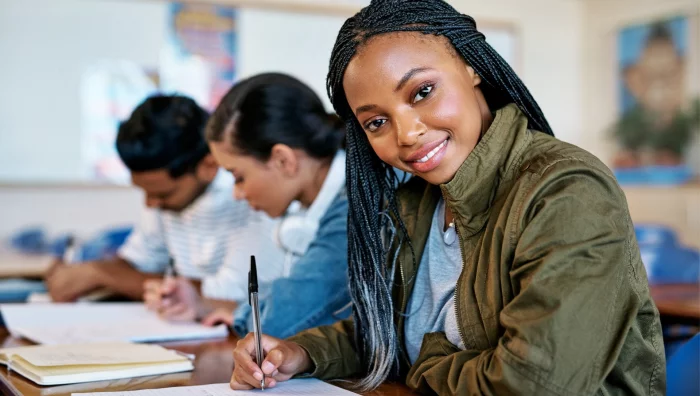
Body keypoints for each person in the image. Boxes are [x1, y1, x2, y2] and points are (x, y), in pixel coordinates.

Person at [229, 1, 666, 395]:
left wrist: (427, 364)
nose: (407, 134)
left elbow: (536, 383)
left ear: (472, 67)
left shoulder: (567, 188)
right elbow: (390, 331)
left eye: (422, 92)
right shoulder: (417, 201)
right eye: (377, 121)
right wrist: (298, 354)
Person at [46, 95, 284, 322]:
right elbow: (134, 264)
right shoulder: (163, 202)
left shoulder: (251, 199)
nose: (150, 204)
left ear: (208, 166)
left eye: (163, 194)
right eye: (145, 192)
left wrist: (101, 273)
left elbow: (227, 297)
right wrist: (82, 272)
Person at [163, 73, 352, 339]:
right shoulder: (322, 201)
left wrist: (241, 315)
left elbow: (284, 320)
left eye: (238, 177)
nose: (237, 194)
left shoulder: (351, 208)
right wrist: (206, 305)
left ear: (283, 160)